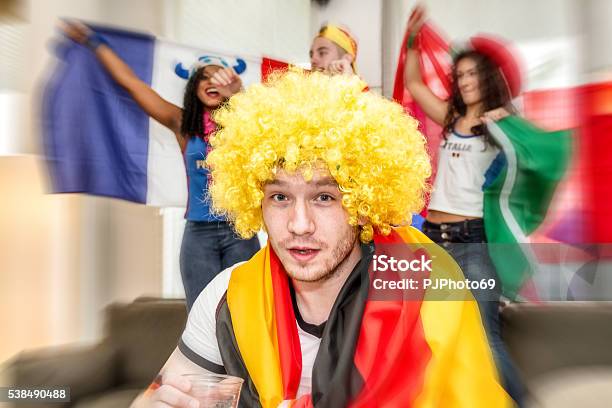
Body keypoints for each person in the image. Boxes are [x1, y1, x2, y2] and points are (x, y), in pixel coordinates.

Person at [131, 70, 512, 407]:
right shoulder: (227, 298)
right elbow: (159, 393)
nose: (299, 225)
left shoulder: (427, 286)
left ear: (365, 203)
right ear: (254, 200)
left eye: (325, 197)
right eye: (279, 197)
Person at [61, 21, 260, 310]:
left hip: (240, 232)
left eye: (218, 78)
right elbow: (131, 83)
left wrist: (238, 97)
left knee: (247, 313)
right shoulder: (183, 125)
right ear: (194, 89)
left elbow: (268, 122)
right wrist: (94, 43)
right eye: (204, 78)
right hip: (199, 236)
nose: (212, 82)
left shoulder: (248, 124)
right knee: (201, 318)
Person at [402, 5, 525, 404]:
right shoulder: (452, 116)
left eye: (474, 73)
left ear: (489, 77)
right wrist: (412, 40)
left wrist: (506, 119)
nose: (466, 80)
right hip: (432, 238)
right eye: (461, 74)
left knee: (484, 335)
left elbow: (533, 156)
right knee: (428, 329)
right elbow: (415, 84)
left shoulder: (503, 122)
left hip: (473, 242)